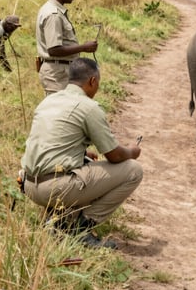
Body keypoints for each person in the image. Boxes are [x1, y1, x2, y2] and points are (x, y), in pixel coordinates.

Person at [20, 58, 143, 249]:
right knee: (133, 170)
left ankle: (58, 222)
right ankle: (81, 229)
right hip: (55, 189)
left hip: (29, 184)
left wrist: (83, 153)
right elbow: (115, 156)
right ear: (92, 81)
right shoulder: (89, 107)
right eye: (98, 84)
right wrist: (132, 151)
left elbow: (52, 141)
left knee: (85, 164)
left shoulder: (49, 100)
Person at [36, 0, 99, 95]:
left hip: (61, 71)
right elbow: (54, 50)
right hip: (57, 74)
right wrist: (84, 47)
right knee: (58, 111)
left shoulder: (53, 10)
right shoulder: (53, 14)